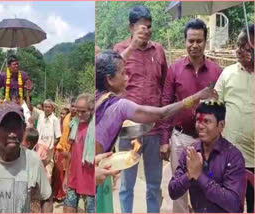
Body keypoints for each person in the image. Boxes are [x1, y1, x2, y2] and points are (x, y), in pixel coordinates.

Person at [95, 50, 217, 212]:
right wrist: (197, 96)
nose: (127, 78)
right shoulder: (120, 106)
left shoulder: (96, 98)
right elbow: (162, 113)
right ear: (109, 79)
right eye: (123, 73)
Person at [160, 18, 222, 213]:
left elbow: (222, 106)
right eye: (191, 41)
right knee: (180, 188)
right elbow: (166, 105)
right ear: (185, 41)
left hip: (209, 142)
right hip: (181, 138)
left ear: (206, 41)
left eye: (199, 41)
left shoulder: (217, 72)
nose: (194, 45)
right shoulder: (174, 69)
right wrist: (164, 139)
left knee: (207, 185)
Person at [113, 5, 168, 212]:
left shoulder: (159, 50)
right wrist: (133, 46)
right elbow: (110, 78)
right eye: (141, 27)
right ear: (131, 27)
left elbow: (165, 92)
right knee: (127, 185)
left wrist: (165, 136)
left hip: (153, 130)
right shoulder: (120, 50)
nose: (146, 31)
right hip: (129, 130)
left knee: (154, 185)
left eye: (149, 27)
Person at [168, 101, 245, 213]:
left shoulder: (233, 157)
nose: (200, 126)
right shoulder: (190, 153)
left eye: (207, 121)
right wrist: (189, 175)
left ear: (221, 125)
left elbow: (233, 204)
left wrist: (199, 176)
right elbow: (173, 192)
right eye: (198, 121)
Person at [215, 24, 254, 213]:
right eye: (238, 46)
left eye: (245, 47)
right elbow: (214, 107)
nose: (238, 51)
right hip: (229, 158)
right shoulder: (227, 73)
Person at [63, 93, 95, 213]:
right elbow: (71, 152)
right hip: (74, 177)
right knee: (67, 209)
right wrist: (66, 177)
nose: (79, 115)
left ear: (92, 110)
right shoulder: (74, 124)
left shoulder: (96, 127)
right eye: (77, 111)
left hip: (91, 180)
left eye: (83, 111)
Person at [30, 99, 61, 181]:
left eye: (49, 107)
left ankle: (47, 191)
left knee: (47, 171)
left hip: (49, 149)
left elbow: (58, 137)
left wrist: (50, 148)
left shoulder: (55, 120)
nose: (47, 109)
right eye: (45, 107)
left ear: (52, 108)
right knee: (36, 169)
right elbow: (30, 108)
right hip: (38, 147)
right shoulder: (40, 115)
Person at [53, 99, 77, 201]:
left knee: (71, 173)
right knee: (59, 172)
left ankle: (70, 196)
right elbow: (62, 133)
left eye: (75, 107)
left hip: (74, 150)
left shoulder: (80, 119)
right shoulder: (67, 118)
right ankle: (59, 194)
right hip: (62, 148)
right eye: (72, 106)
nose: (73, 109)